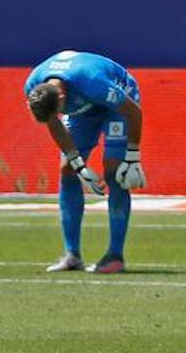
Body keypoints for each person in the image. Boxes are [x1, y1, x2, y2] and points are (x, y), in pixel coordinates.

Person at [24, 50, 146, 274]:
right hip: (83, 110)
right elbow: (54, 122)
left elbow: (133, 111)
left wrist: (133, 156)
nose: (55, 119)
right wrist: (78, 164)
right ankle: (72, 255)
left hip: (116, 107)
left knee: (113, 170)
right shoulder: (34, 85)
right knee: (67, 170)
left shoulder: (93, 82)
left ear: (62, 98)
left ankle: (115, 256)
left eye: (56, 113)